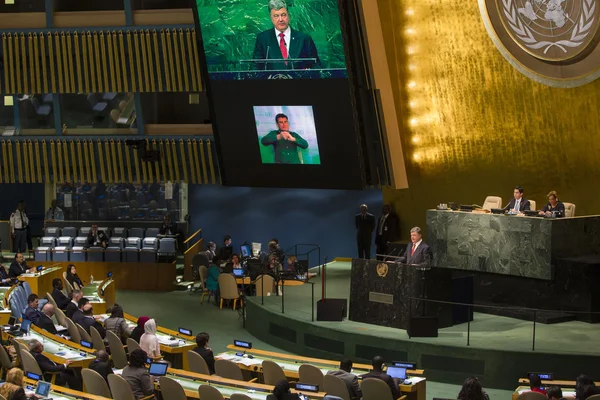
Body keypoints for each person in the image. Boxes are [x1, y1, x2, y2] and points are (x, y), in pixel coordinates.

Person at [253, 0, 319, 71]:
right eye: (276, 16)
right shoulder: (263, 39)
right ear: (271, 18)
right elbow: (255, 68)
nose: (281, 19)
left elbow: (316, 66)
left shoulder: (304, 39)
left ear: (289, 15)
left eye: (283, 15)